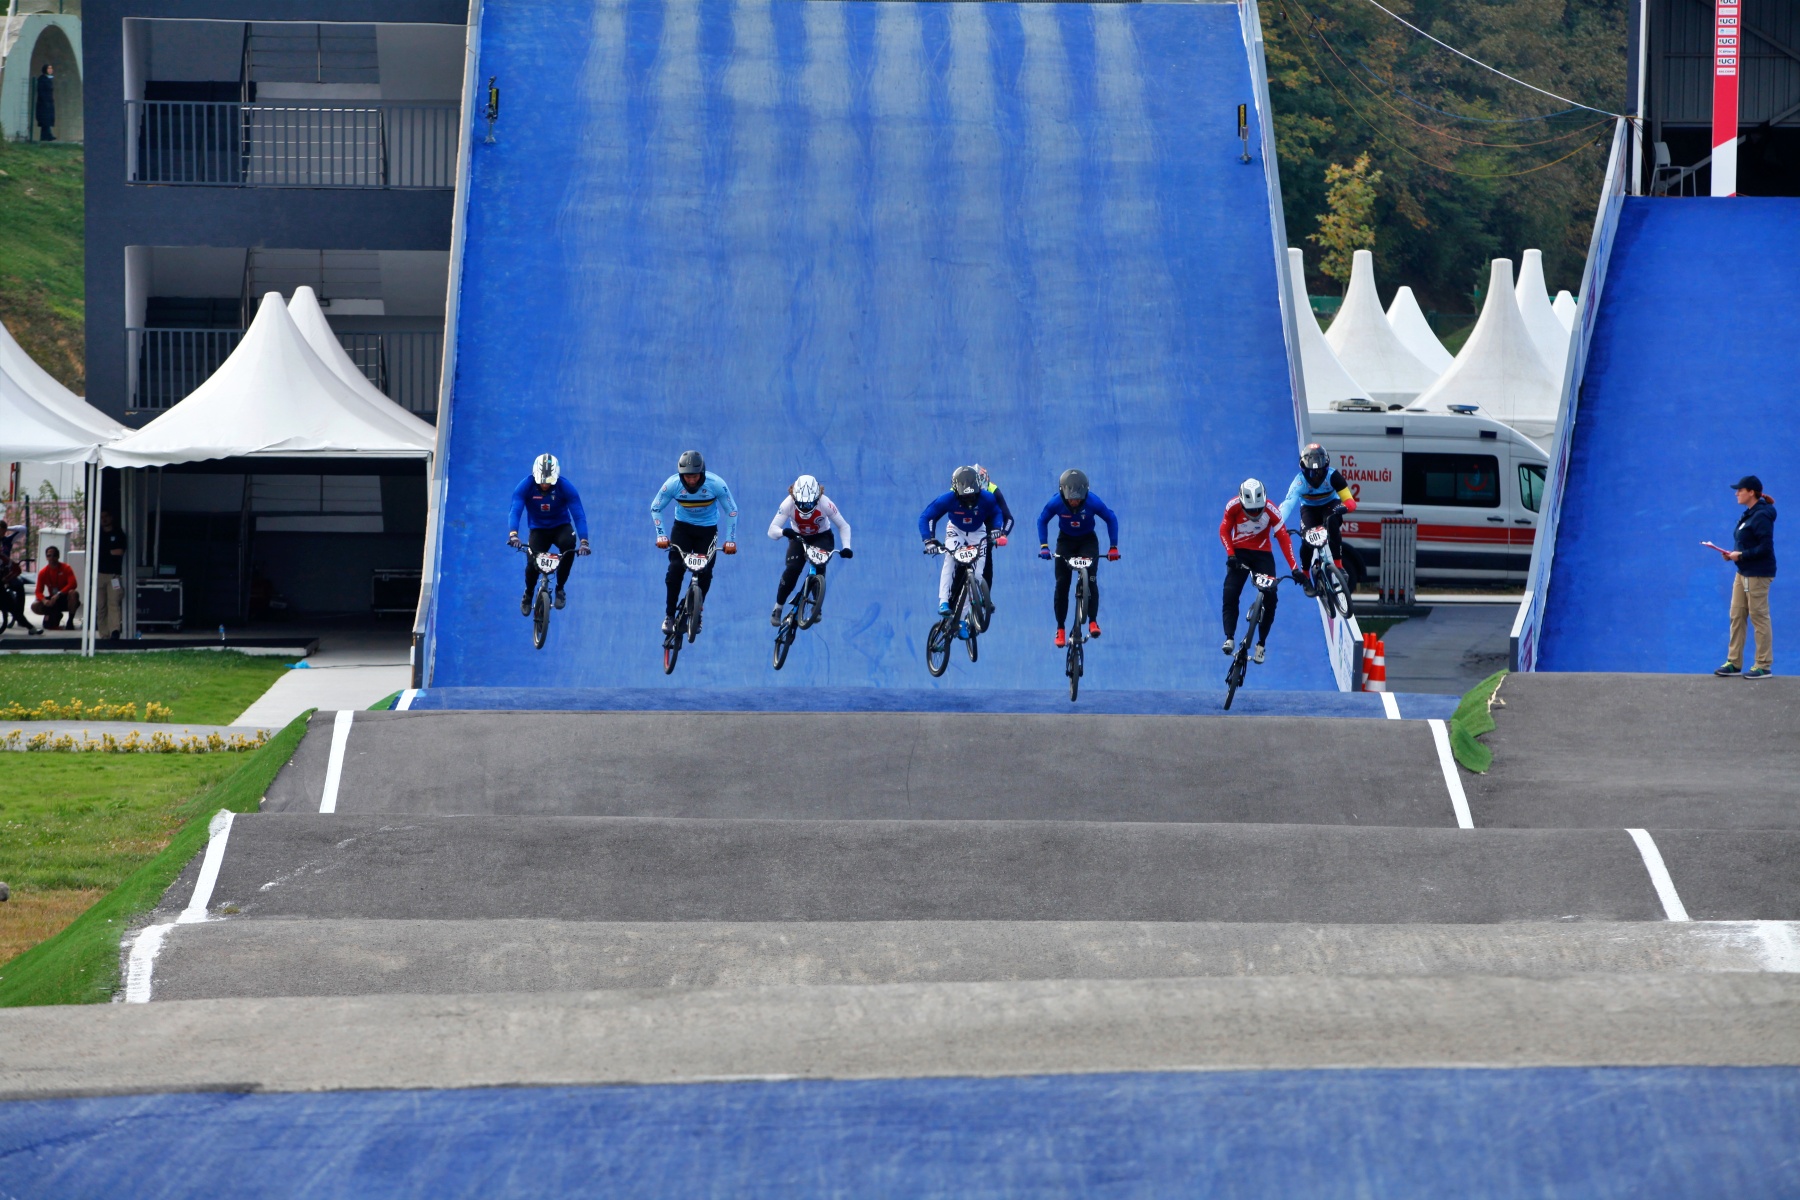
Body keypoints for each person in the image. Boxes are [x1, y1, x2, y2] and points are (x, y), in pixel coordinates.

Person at [651, 450, 739, 635]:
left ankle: (697, 611)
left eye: (695, 476)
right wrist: (661, 535)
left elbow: (731, 511)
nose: (691, 481)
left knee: (705, 571)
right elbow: (656, 507)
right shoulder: (673, 484)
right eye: (687, 477)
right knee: (675, 569)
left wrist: (730, 541)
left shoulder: (716, 484)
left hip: (707, 531)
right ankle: (669, 615)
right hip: (682, 529)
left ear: (703, 473)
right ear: (681, 475)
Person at [1219, 478, 1304, 663]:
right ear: (1242, 503)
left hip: (1262, 555)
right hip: (1239, 554)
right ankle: (1229, 637)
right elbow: (1224, 530)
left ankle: (1261, 644)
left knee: (1271, 597)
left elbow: (1283, 539)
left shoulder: (1272, 511)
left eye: (1259, 509)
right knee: (1230, 592)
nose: (1255, 514)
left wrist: (1295, 568)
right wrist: (1230, 555)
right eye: (1250, 510)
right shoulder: (1232, 506)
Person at [1036, 468, 1120, 648]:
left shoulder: (1093, 502)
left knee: (1091, 580)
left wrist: (1113, 547)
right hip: (1065, 541)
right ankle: (1060, 628)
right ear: (1062, 494)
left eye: (1078, 499)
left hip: (1087, 541)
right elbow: (1042, 520)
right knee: (1062, 584)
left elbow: (1111, 518)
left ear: (1085, 494)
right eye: (1071, 499)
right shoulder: (1055, 503)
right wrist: (1044, 546)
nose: (1074, 502)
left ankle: (1093, 621)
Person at [919, 466, 1003, 628]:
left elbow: (997, 513)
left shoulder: (987, 498)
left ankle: (963, 619)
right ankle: (943, 601)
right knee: (950, 562)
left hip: (978, 532)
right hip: (955, 531)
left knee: (978, 574)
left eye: (973, 496)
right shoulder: (947, 498)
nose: (970, 501)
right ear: (956, 491)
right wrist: (928, 540)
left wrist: (996, 529)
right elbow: (927, 517)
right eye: (965, 497)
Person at [507, 453, 591, 615]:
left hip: (561, 527)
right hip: (538, 530)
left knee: (568, 548)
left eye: (549, 482)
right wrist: (513, 534)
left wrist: (584, 542)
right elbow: (515, 510)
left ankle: (560, 588)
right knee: (532, 563)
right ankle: (528, 593)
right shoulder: (525, 486)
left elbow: (579, 514)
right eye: (541, 481)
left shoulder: (566, 487)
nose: (545, 485)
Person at [767, 474, 853, 626]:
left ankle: (816, 605)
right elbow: (772, 530)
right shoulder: (788, 503)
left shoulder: (825, 503)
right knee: (792, 569)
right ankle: (778, 607)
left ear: (817, 497)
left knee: (819, 565)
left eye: (809, 504)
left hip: (821, 536)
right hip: (798, 537)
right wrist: (784, 532)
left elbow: (844, 526)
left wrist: (847, 547)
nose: (805, 508)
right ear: (794, 497)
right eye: (801, 504)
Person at [1713, 475, 1776, 679]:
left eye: (1740, 490)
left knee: (1759, 618)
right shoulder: (1749, 514)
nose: (1736, 493)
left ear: (1751, 492)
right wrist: (1732, 555)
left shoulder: (1762, 515)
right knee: (1737, 615)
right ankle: (1734, 662)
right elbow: (1746, 543)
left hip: (1757, 574)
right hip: (1743, 572)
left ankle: (1763, 665)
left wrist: (1740, 555)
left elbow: (1765, 548)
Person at [1279, 443, 1357, 593]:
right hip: (1309, 509)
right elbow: (1287, 504)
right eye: (1312, 473)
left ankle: (1339, 566)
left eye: (1320, 472)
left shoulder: (1334, 476)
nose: (1316, 477)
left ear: (1326, 468)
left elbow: (1350, 501)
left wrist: (1345, 507)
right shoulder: (1299, 482)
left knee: (1332, 522)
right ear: (1303, 470)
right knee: (1307, 539)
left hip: (1330, 504)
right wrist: (1278, 522)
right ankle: (1306, 574)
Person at [972, 464, 1014, 603]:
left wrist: (1003, 534)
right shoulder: (959, 490)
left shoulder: (994, 490)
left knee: (987, 557)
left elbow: (1008, 518)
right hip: (969, 522)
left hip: (988, 523)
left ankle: (985, 597)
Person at [94, 511, 127, 642]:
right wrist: (109, 551)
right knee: (101, 606)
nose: (104, 519)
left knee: (113, 603)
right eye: (101, 517)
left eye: (106, 516)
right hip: (99, 575)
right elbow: (94, 551)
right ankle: (104, 634)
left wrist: (103, 551)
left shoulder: (119, 534)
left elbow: (119, 552)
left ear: (111, 517)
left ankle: (114, 631)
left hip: (113, 575)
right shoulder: (97, 535)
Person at [30, 543, 79, 630]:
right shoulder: (43, 572)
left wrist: (59, 594)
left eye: (54, 555)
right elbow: (38, 591)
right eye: (49, 556)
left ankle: (70, 620)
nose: (52, 558)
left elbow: (73, 584)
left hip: (64, 598)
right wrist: (44, 600)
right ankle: (54, 615)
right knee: (35, 605)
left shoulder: (66, 568)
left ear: (58, 556)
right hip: (52, 601)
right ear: (46, 557)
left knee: (73, 593)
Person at [1, 524, 33, 635]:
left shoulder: (8, 540)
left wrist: (7, 527)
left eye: (2, 530)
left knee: (19, 585)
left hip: (6, 571)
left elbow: (23, 529)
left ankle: (19, 614)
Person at [34, 64, 55, 142]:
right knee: (45, 120)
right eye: (49, 68)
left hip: (49, 102)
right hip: (43, 103)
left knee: (47, 120)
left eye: (51, 68)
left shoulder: (48, 79)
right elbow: (41, 91)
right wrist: (45, 100)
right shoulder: (42, 79)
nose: (50, 70)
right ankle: (48, 135)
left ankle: (45, 136)